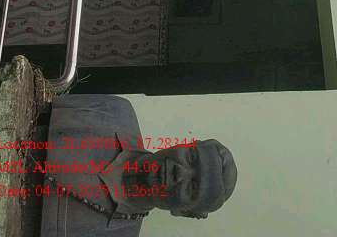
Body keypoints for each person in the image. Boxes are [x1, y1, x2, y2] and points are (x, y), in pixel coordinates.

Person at [35, 95, 238, 237]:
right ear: (183, 144)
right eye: (191, 157)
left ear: (183, 212)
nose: (180, 171)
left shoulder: (119, 233)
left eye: (192, 187)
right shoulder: (117, 111)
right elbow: (36, 105)